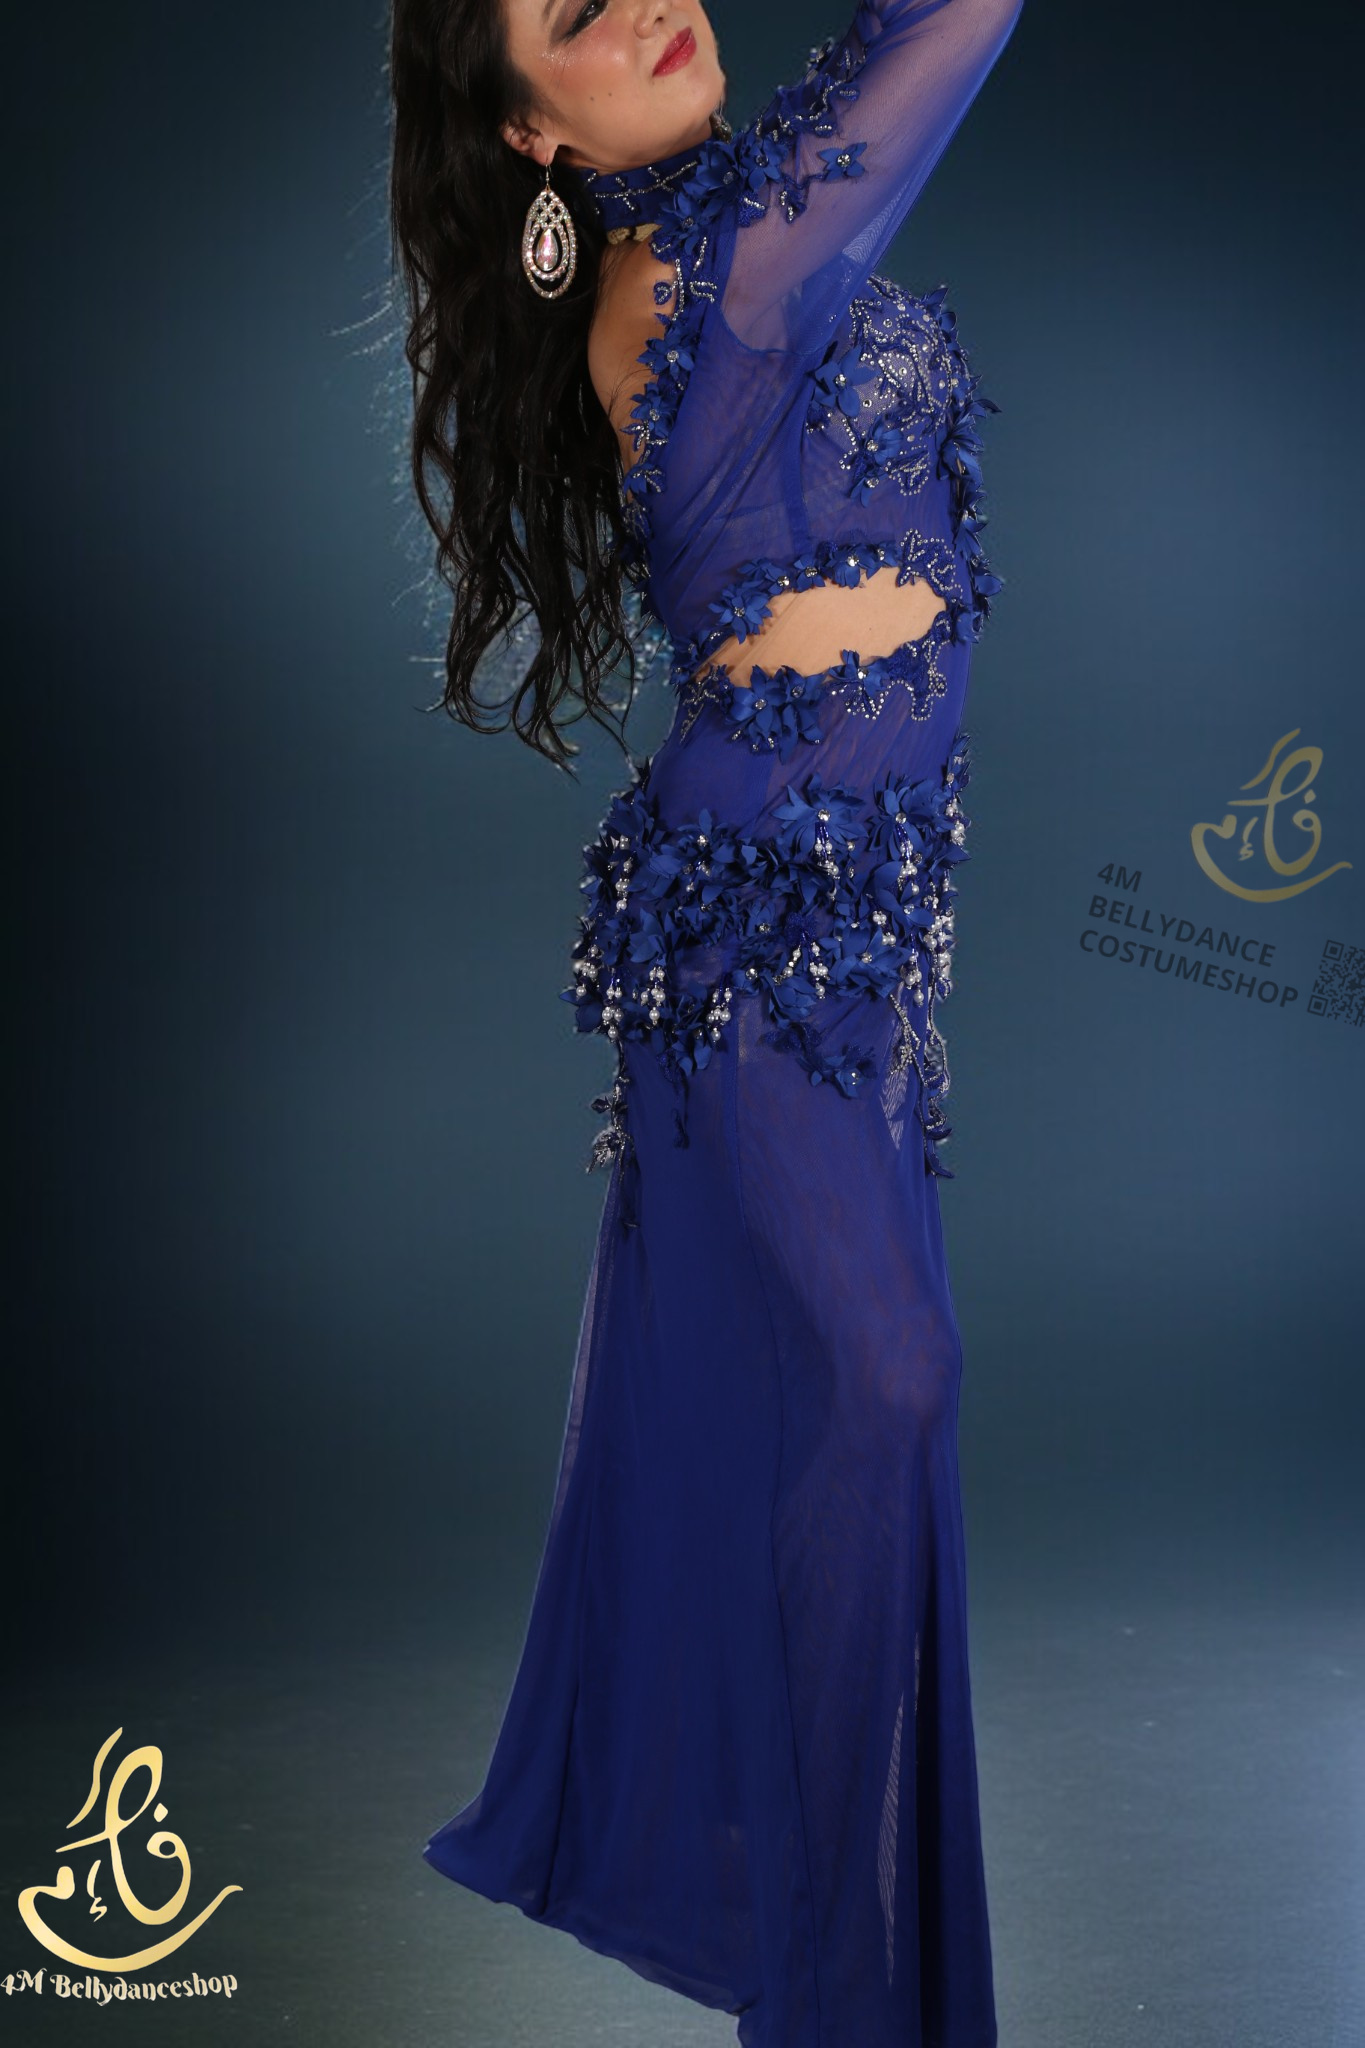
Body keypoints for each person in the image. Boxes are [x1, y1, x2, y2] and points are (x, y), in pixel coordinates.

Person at [390, 2, 1024, 2041]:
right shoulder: (711, 268)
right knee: (884, 1384)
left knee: (864, 1406)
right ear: (530, 131)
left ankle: (854, 1995)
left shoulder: (742, 227)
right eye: (575, 16)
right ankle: (841, 1999)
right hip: (754, 929)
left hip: (857, 920)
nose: (648, 3)